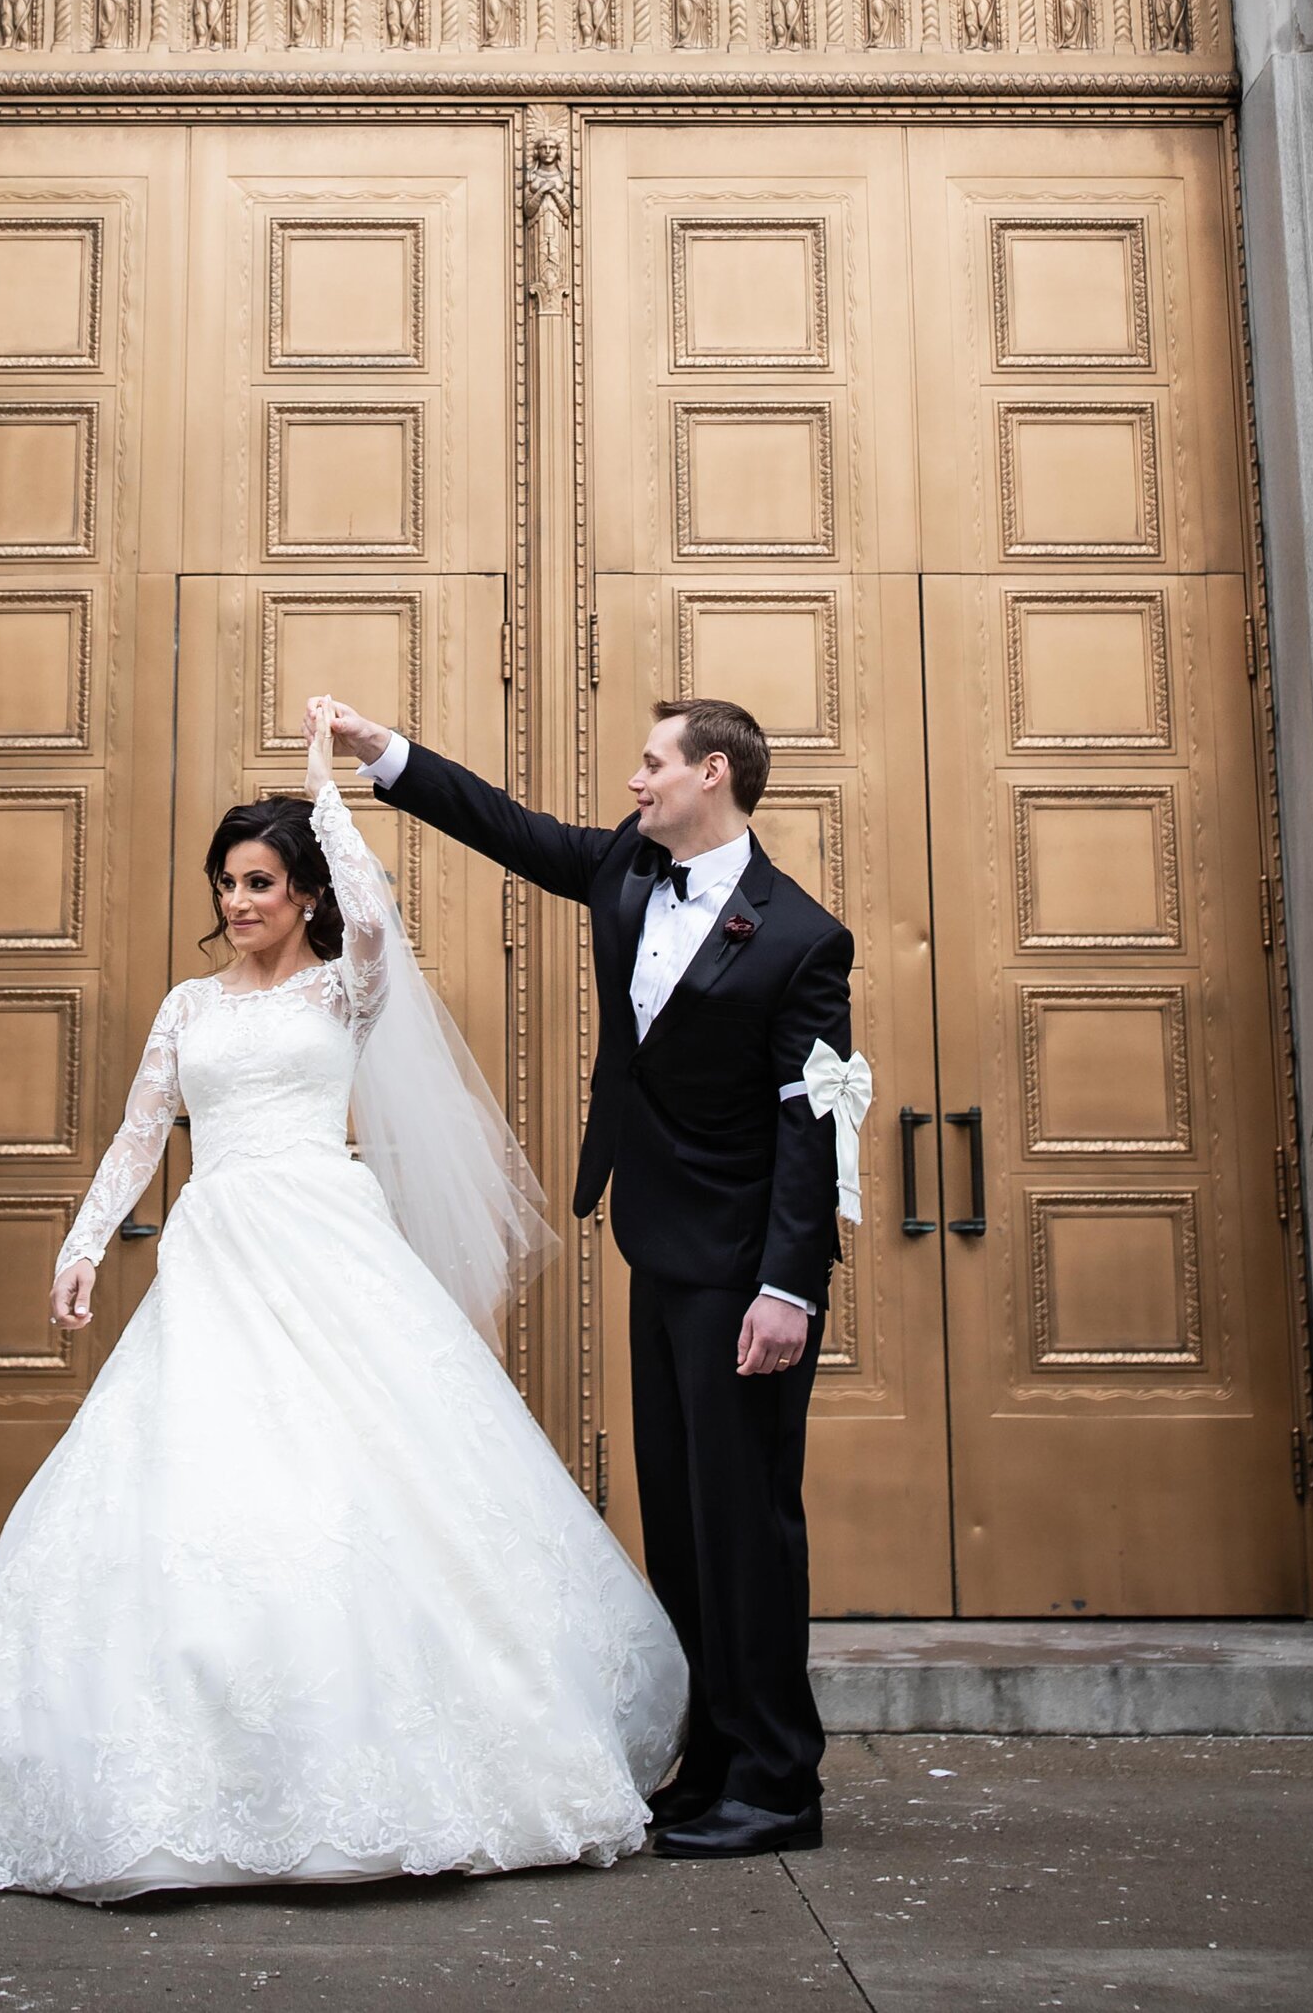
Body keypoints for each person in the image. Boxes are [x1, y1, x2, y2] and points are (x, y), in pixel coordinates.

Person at [0, 728, 684, 1902]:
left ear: (300, 891)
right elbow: (140, 1132)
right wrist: (83, 1243)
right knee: (191, 1477)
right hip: (216, 1253)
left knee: (365, 1479)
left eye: (260, 882)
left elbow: (370, 918)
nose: (237, 900)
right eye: (228, 883)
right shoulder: (186, 1005)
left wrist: (326, 796)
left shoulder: (342, 986)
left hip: (327, 1245)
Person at [317, 688, 858, 1858]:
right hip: (657, 1242)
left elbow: (814, 1123)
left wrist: (788, 1287)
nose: (634, 780)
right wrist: (384, 753)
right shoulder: (625, 869)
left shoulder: (804, 938)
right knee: (681, 1520)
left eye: (653, 763)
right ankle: (711, 1758)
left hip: (743, 1274)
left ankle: (778, 1782)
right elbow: (514, 831)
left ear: (713, 774)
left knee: (747, 1524)